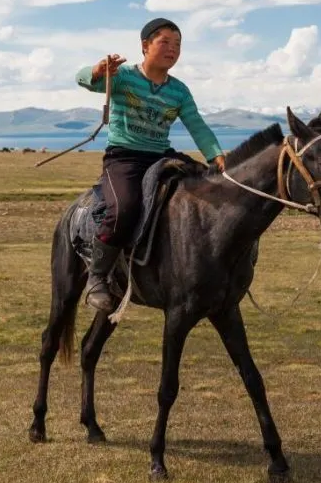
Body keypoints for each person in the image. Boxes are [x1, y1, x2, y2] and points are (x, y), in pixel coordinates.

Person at [74, 17, 226, 312]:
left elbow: (197, 125)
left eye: (178, 44)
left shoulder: (179, 91)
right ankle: (97, 276)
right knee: (124, 208)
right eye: (165, 42)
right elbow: (83, 79)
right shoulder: (123, 76)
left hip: (160, 155)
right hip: (125, 157)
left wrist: (215, 156)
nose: (173, 49)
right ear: (145, 46)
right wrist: (97, 71)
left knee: (208, 186)